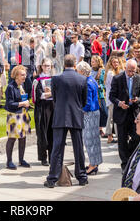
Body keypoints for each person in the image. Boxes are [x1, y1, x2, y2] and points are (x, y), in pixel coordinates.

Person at [44, 54, 88, 188]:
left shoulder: (56, 79)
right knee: (78, 147)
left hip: (61, 114)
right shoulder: (82, 79)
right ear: (75, 64)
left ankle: (52, 178)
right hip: (75, 114)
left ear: (64, 64)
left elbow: (55, 98)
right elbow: (83, 100)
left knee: (57, 148)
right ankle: (82, 176)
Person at [109, 59, 140, 171]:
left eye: (133, 71)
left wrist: (137, 100)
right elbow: (111, 96)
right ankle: (125, 163)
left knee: (137, 137)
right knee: (122, 139)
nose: (131, 73)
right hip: (121, 113)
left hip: (134, 113)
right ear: (125, 68)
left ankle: (129, 155)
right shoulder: (117, 78)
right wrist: (120, 103)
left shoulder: (138, 78)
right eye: (129, 71)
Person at [76, 61, 102, 176]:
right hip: (95, 112)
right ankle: (95, 162)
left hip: (89, 113)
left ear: (82, 71)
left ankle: (93, 165)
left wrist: (81, 111)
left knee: (89, 140)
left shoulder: (87, 82)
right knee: (95, 140)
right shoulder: (92, 79)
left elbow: (88, 102)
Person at [5, 65, 32, 170]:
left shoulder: (22, 85)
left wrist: (26, 104)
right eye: (22, 75)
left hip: (23, 114)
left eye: (25, 74)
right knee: (12, 139)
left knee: (23, 138)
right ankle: (9, 161)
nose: (24, 77)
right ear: (16, 76)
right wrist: (22, 103)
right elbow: (9, 104)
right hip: (14, 115)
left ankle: (21, 160)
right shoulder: (10, 87)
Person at [31, 58, 54, 166]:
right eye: (45, 65)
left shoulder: (54, 78)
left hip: (52, 107)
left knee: (52, 132)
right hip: (42, 108)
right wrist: (51, 94)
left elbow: (58, 93)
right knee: (42, 133)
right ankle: (43, 157)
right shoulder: (37, 79)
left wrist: (50, 93)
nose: (47, 68)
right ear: (41, 66)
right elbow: (39, 96)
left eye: (49, 66)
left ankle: (52, 156)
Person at [104, 55, 123, 144]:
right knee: (112, 117)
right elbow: (113, 87)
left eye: (117, 62)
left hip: (115, 98)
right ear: (111, 63)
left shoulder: (117, 72)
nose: (116, 64)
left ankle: (112, 136)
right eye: (114, 62)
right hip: (112, 98)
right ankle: (110, 136)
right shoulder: (111, 73)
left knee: (112, 117)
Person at [90, 55, 107, 137]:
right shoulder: (89, 71)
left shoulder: (103, 71)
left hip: (100, 94)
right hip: (91, 94)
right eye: (91, 61)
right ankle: (96, 129)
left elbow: (105, 83)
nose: (92, 63)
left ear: (98, 62)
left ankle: (101, 128)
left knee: (104, 112)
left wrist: (100, 86)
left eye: (93, 61)